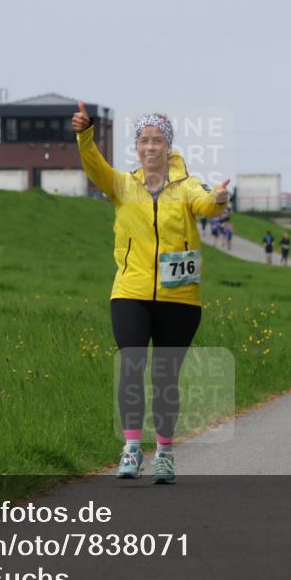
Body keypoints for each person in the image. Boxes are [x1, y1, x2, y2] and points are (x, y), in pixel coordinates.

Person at [73, 102, 229, 484]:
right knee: (131, 365)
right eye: (144, 140)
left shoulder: (188, 185)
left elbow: (206, 203)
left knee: (164, 377)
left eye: (157, 140)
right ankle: (130, 449)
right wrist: (84, 135)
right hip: (131, 290)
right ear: (137, 147)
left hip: (179, 298)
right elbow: (95, 168)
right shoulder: (123, 186)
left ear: (168, 146)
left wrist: (219, 199)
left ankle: (164, 454)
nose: (150, 146)